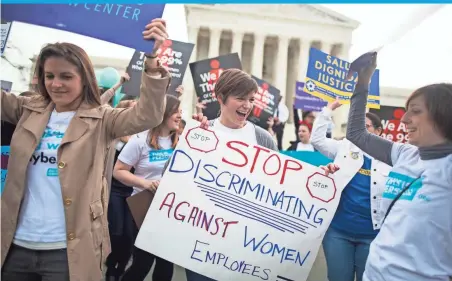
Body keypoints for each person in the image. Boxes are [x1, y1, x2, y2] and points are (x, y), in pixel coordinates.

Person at [0, 18, 171, 281]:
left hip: (67, 251)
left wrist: (152, 61)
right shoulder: (26, 109)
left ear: (85, 79)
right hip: (15, 246)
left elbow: (147, 115)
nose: (56, 84)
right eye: (50, 76)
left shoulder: (103, 119)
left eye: (66, 76)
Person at [343, 9, 452, 281]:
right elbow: (356, 133)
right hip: (374, 274)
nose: (406, 119)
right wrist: (362, 83)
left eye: (416, 111)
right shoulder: (405, 154)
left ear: (445, 114)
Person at [180, 68, 277, 281]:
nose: (247, 105)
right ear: (220, 98)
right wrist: (193, 141)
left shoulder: (264, 139)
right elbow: (175, 178)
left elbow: (277, 187)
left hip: (244, 244)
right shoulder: (201, 132)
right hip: (202, 242)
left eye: (251, 99)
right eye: (240, 98)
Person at [311, 98, 391, 281]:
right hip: (338, 233)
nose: (361, 131)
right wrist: (328, 110)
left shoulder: (392, 158)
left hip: (372, 236)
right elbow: (317, 139)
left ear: (379, 131)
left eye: (367, 126)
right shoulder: (344, 148)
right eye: (358, 126)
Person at [114, 95, 182, 281]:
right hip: (144, 209)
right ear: (162, 112)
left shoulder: (183, 141)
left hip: (171, 210)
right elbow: (118, 171)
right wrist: (145, 183)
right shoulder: (139, 140)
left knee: (165, 264)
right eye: (176, 111)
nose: (180, 115)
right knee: (142, 264)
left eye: (180, 111)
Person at [104, 99, 138, 281]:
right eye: (133, 110)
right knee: (116, 232)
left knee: (129, 235)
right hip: (114, 190)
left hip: (131, 191)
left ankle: (120, 269)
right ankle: (110, 268)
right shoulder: (113, 135)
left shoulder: (141, 137)